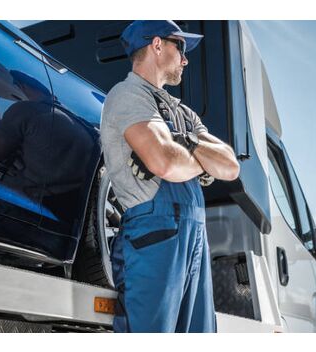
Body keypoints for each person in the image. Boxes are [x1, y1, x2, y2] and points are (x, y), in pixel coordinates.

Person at [100, 20, 240, 333]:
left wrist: (184, 140)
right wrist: (203, 160)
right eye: (181, 46)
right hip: (153, 233)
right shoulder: (126, 95)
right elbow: (164, 162)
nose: (186, 58)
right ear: (157, 44)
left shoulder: (184, 113)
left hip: (195, 238)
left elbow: (230, 166)